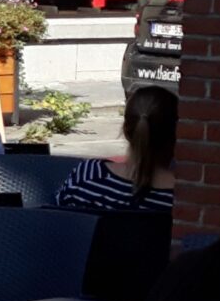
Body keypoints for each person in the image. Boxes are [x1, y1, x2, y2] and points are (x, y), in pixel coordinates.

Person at [58, 85, 177, 213]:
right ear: (178, 134)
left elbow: (57, 217)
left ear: (126, 130)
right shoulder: (183, 198)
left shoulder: (88, 176)